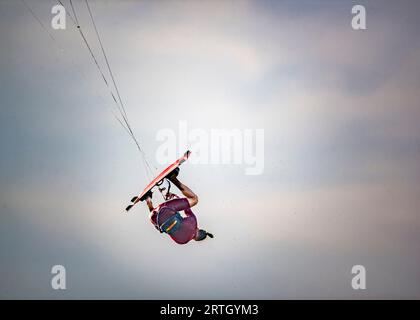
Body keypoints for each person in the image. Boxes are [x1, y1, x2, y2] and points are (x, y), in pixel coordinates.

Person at [144, 168, 213, 245]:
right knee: (159, 222)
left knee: (194, 200)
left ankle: (172, 178)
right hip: (153, 218)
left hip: (165, 209)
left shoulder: (193, 223)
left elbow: (186, 207)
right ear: (195, 239)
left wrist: (175, 196)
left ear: (199, 229)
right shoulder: (181, 241)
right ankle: (148, 199)